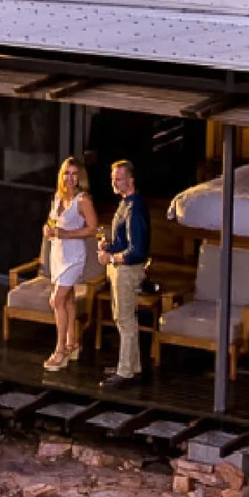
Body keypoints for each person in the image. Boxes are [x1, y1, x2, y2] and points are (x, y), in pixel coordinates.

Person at [42, 158, 96, 370]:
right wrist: (48, 230)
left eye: (74, 174)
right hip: (58, 254)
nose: (70, 178)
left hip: (74, 257)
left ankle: (60, 350)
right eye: (67, 173)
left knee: (57, 300)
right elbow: (51, 222)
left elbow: (92, 229)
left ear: (80, 177)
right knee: (68, 299)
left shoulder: (83, 201)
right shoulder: (58, 198)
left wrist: (65, 233)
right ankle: (73, 343)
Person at [100, 158, 150, 386]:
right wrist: (109, 245)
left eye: (118, 178)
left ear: (130, 180)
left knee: (125, 319)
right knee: (123, 318)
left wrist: (111, 257)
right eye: (113, 178)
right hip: (118, 267)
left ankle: (125, 372)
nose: (114, 182)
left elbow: (137, 250)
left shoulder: (134, 207)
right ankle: (132, 365)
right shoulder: (124, 203)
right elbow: (123, 242)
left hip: (127, 270)